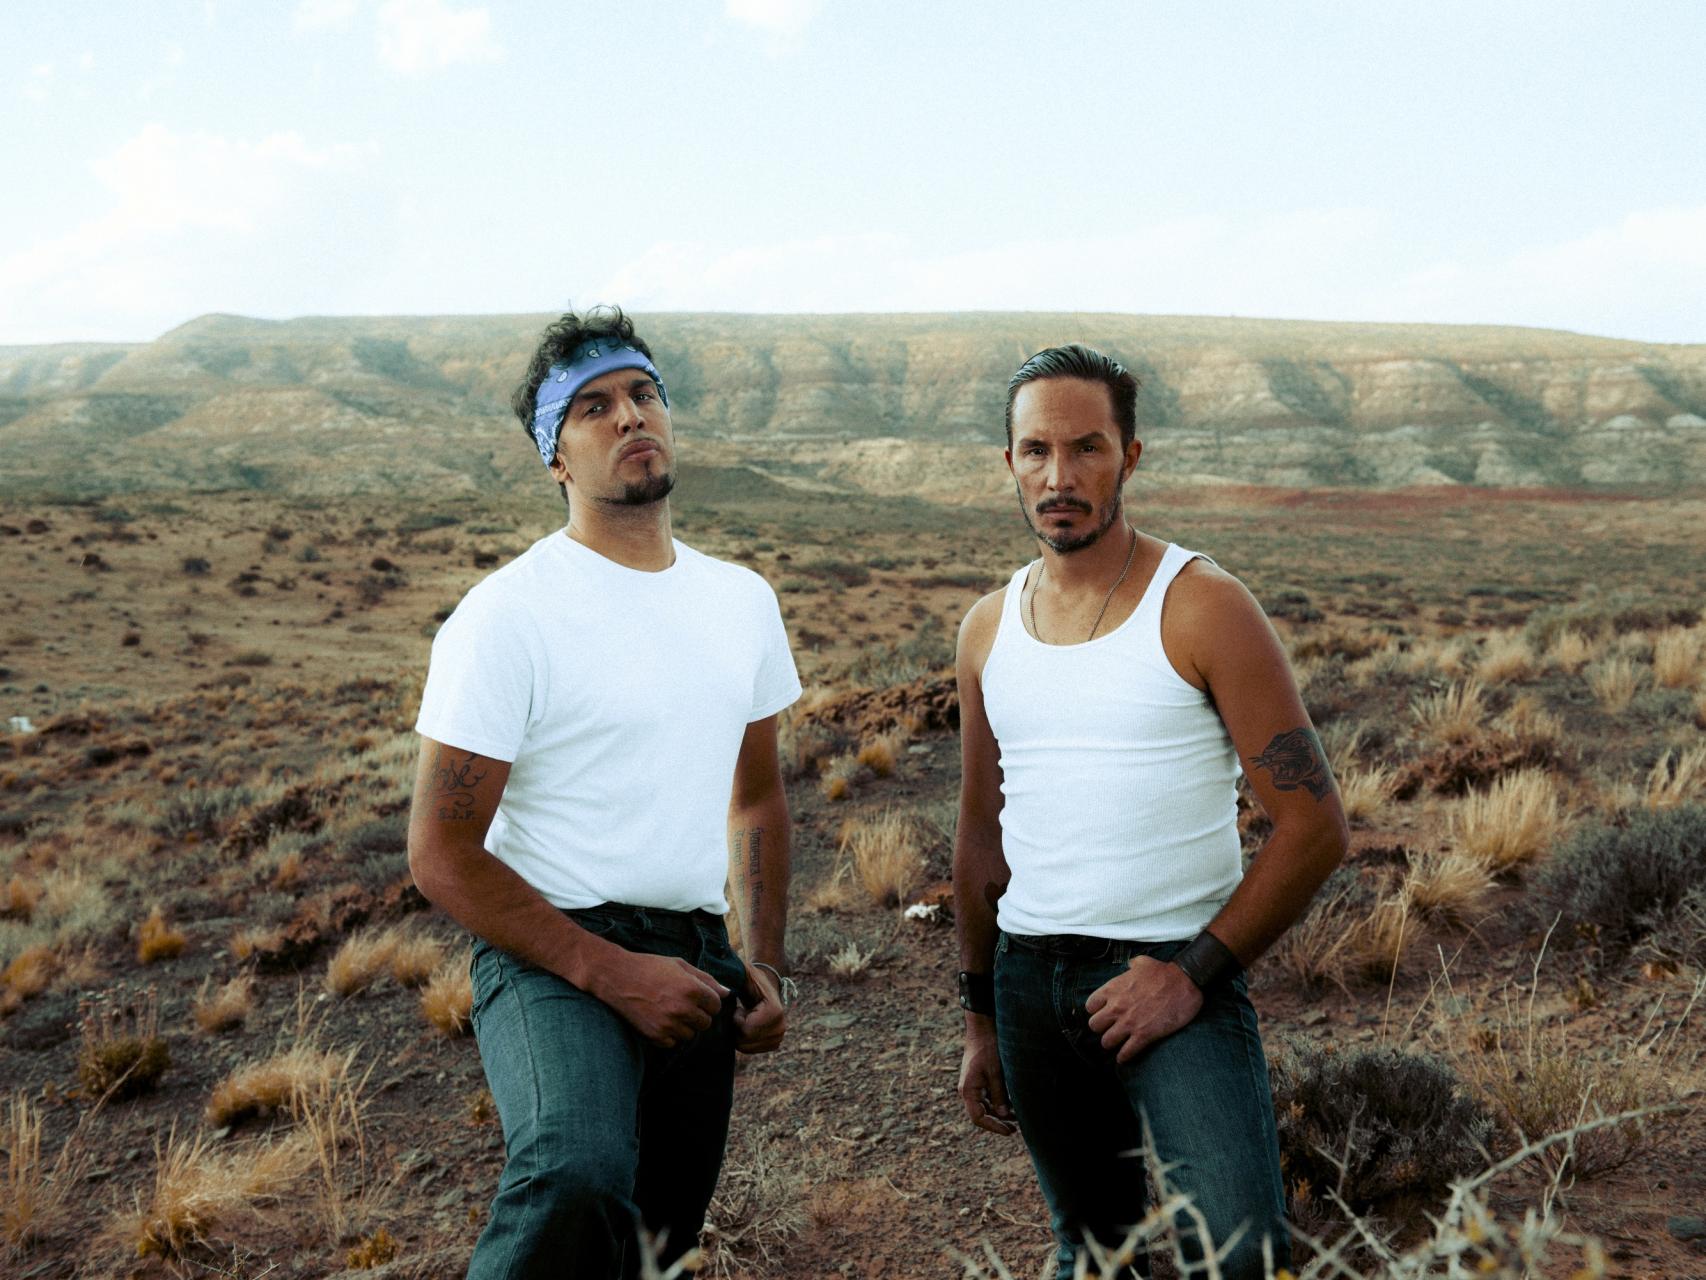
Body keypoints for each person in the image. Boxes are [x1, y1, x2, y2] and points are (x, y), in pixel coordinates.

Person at [407, 306, 801, 1278]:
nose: (629, 417)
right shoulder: (506, 615)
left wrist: (762, 961)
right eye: (592, 407)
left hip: (697, 956)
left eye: (642, 393)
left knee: (654, 1243)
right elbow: (440, 850)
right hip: (551, 951)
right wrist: (610, 972)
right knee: (573, 1173)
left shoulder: (739, 599)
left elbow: (754, 798)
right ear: (555, 455)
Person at [951, 343, 1348, 1279]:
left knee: (1239, 1253)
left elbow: (1316, 827)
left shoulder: (1203, 607)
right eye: (1037, 451)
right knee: (1092, 1253)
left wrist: (1189, 976)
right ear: (1008, 462)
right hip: (1028, 986)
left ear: (1130, 456)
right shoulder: (985, 627)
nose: (1061, 477)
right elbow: (979, 838)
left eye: (1087, 448)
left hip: (1174, 976)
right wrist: (979, 1019)